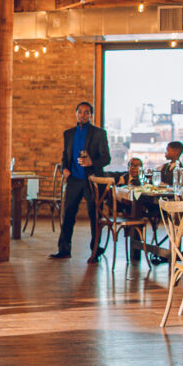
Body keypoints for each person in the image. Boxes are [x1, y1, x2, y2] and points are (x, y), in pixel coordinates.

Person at [50, 101, 110, 263]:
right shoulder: (68, 134)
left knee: (94, 216)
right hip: (74, 180)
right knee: (68, 215)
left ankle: (95, 251)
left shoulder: (99, 134)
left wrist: (92, 162)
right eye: (80, 112)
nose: (83, 115)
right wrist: (64, 168)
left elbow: (106, 158)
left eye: (86, 112)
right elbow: (65, 155)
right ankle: (64, 250)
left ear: (91, 115)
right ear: (76, 114)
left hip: (93, 181)